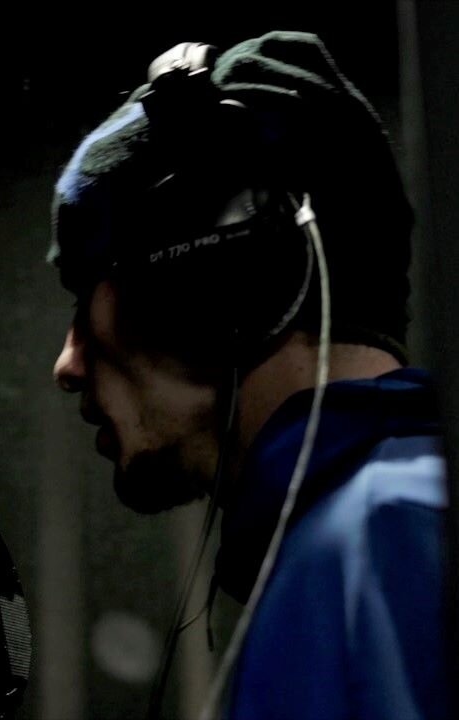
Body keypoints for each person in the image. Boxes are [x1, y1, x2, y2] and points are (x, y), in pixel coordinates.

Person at [50, 31, 450, 719]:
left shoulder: (386, 536)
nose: (68, 365)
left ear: (218, 280)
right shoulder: (364, 534)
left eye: (86, 294)